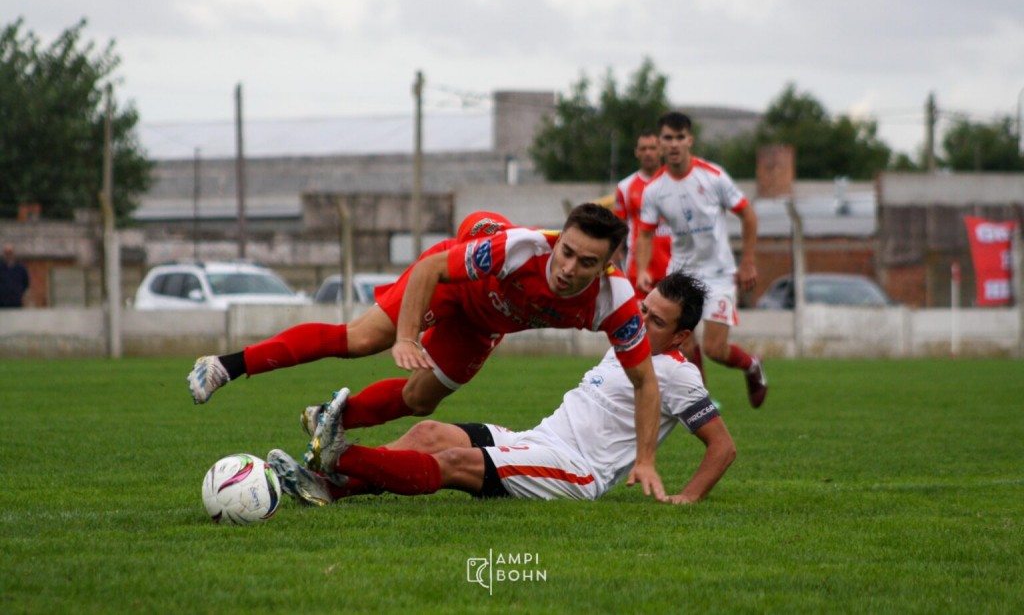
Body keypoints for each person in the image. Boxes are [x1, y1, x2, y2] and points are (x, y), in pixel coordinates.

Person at [189, 203, 666, 496]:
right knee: (361, 340)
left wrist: (644, 459)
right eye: (566, 251)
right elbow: (429, 270)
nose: (568, 268)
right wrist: (405, 337)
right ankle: (224, 366)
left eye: (586, 262)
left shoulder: (615, 302)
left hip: (483, 327)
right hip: (451, 288)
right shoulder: (519, 249)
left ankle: (328, 419)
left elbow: (645, 381)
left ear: (607, 266)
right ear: (557, 239)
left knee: (420, 399)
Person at [267, 273, 735, 506]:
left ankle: (338, 457)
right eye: (644, 308)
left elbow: (723, 446)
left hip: (575, 471)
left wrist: (687, 499)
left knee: (453, 463)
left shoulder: (678, 372)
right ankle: (329, 486)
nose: (642, 320)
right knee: (429, 432)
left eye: (656, 320)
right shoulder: (628, 342)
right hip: (538, 440)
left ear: (680, 337)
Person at [634, 111, 768, 408]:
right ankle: (701, 401)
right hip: (681, 272)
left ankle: (751, 366)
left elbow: (748, 215)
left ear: (689, 140)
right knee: (681, 341)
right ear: (660, 143)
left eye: (680, 138)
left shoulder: (713, 176)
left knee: (714, 349)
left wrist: (748, 262)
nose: (674, 144)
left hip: (718, 272)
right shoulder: (654, 189)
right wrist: (642, 269)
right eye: (668, 138)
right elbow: (644, 233)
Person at [611, 131, 673, 295]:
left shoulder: (676, 183)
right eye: (643, 148)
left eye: (652, 148)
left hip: (674, 267)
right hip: (637, 271)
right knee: (639, 319)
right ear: (636, 152)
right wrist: (610, 266)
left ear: (661, 150)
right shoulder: (625, 186)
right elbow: (617, 230)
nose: (648, 153)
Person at [0, 243, 30, 308]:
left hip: (16, 304)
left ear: (13, 253)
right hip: (2, 305)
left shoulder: (21, 268)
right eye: (6, 253)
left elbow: (26, 284)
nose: (8, 255)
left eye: (10, 253)